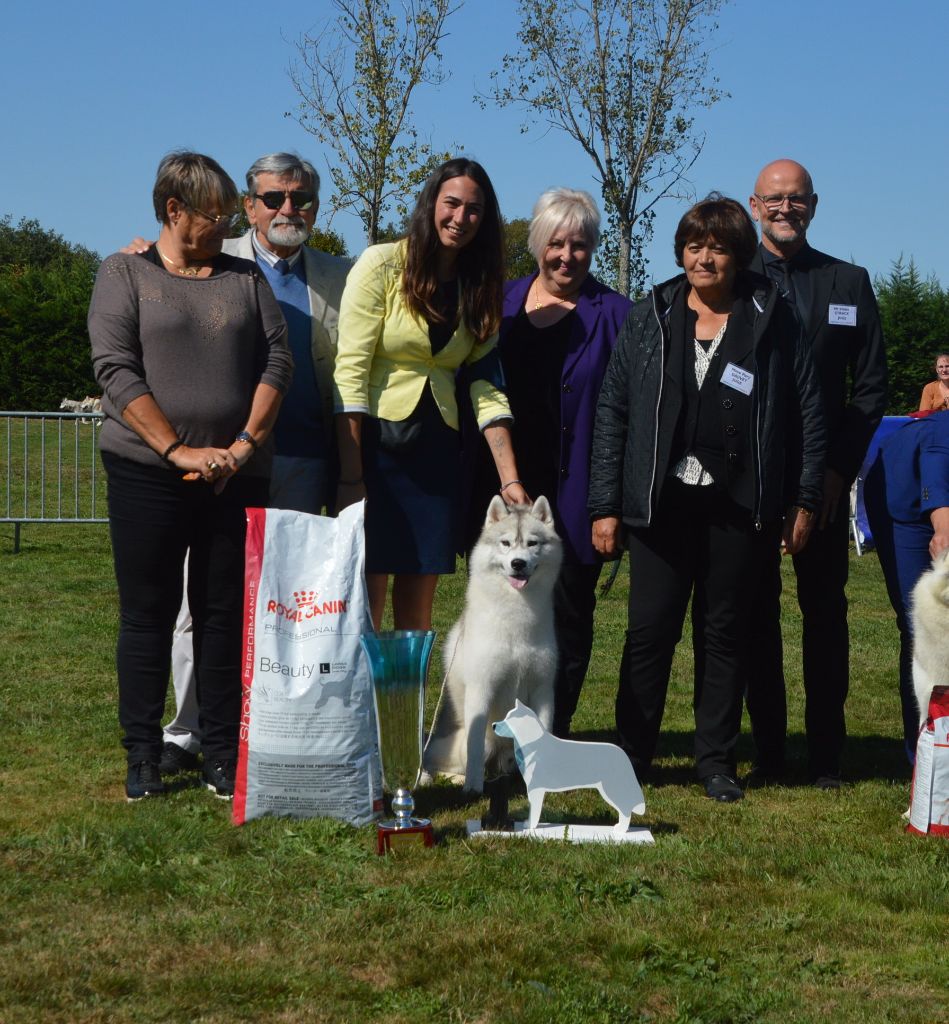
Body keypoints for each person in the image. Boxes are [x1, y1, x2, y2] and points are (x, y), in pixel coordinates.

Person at [588, 194, 825, 803]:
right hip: (660, 506)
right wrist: (605, 505)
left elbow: (806, 411)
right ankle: (633, 756)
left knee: (724, 634)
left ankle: (714, 761)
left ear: (738, 255)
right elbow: (614, 409)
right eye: (694, 246)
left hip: (739, 506)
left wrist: (803, 498)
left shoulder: (772, 316)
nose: (704, 258)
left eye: (717, 248)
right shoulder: (653, 314)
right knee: (648, 633)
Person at [89, 151, 293, 801]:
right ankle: (143, 756)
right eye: (216, 214)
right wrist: (176, 450)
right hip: (147, 471)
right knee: (147, 614)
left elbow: (277, 361)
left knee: (221, 615)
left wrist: (239, 446)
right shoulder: (124, 273)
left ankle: (220, 754)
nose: (227, 225)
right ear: (173, 210)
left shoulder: (245, 280)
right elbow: (116, 370)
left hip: (235, 475)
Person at [154, 153, 351, 779]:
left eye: (301, 199)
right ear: (249, 205)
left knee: (291, 603)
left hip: (306, 462)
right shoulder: (212, 255)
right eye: (273, 198)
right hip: (225, 461)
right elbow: (153, 274)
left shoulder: (345, 277)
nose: (287, 210)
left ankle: (271, 718)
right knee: (204, 599)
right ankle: (188, 730)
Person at [464, 188, 631, 736]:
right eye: (555, 243)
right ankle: (486, 729)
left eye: (579, 245)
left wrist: (612, 500)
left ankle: (549, 734)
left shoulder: (618, 317)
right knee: (495, 613)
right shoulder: (499, 303)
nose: (566, 256)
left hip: (581, 487)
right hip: (501, 482)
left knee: (569, 616)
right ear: (536, 244)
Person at [334, 157, 527, 630]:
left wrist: (510, 481)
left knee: (417, 615)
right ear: (431, 204)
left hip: (437, 455)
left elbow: (486, 385)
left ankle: (406, 707)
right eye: (452, 204)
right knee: (365, 604)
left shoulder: (480, 286)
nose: (461, 219)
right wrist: (351, 475)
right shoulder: (380, 264)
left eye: (475, 210)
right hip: (374, 453)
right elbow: (350, 371)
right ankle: (362, 706)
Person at [745, 159, 887, 788]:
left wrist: (837, 472)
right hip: (749, 481)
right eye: (774, 200)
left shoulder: (848, 283)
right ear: (754, 206)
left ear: (814, 204)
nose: (785, 209)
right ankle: (769, 752)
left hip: (826, 481)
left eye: (796, 199)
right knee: (754, 615)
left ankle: (826, 755)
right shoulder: (729, 278)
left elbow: (872, 389)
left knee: (824, 615)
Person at [864, 410, 949, 761]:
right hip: (900, 500)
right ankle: (923, 755)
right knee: (921, 625)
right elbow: (936, 479)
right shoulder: (939, 435)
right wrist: (943, 528)